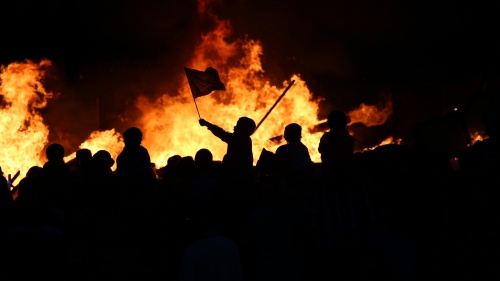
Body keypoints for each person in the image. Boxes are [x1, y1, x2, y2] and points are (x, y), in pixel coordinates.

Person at [275, 123, 316, 189]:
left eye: (285, 133)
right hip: (307, 180)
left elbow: (278, 167)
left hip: (293, 180)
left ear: (287, 135)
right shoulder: (303, 147)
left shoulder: (283, 149)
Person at [318, 110, 355, 174]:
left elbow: (320, 150)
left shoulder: (326, 137)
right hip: (345, 172)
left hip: (328, 172)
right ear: (345, 123)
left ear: (329, 123)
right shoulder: (349, 139)